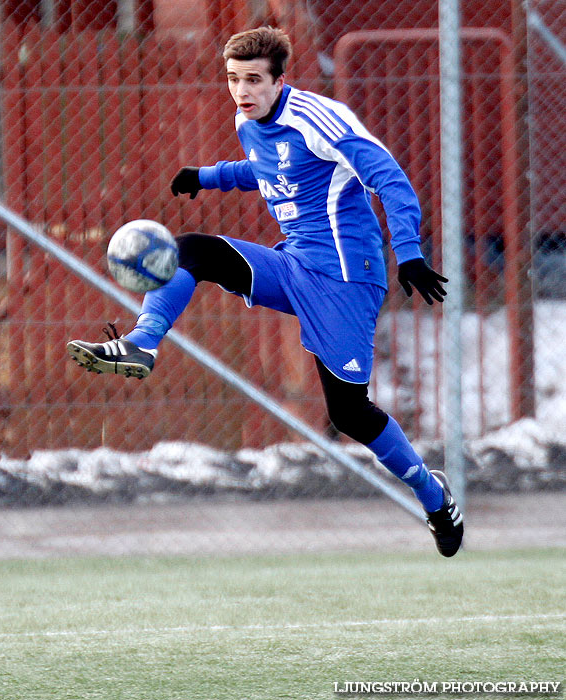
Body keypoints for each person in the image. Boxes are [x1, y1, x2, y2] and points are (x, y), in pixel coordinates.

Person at [67, 26, 464, 557]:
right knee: (193, 250)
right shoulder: (247, 119)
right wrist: (207, 176)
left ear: (281, 80)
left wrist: (409, 252)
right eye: (233, 79)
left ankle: (432, 494)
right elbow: (270, 171)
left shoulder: (322, 120)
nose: (242, 91)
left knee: (349, 413)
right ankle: (142, 341)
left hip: (347, 278)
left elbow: (390, 180)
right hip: (292, 261)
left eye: (254, 80)